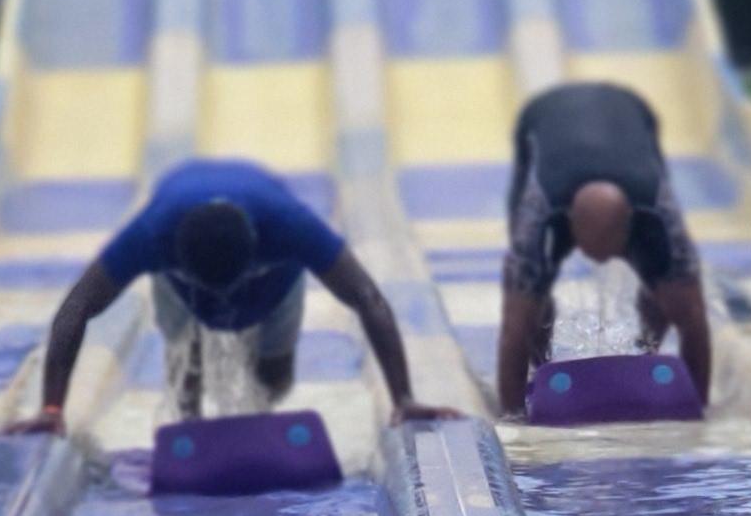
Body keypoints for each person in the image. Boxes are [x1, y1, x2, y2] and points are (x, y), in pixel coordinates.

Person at [23, 157, 446, 432]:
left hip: (272, 283)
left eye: (229, 289)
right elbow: (78, 305)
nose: (223, 306)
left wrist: (403, 398)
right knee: (186, 360)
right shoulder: (151, 235)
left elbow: (366, 296)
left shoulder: (289, 226)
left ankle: (254, 420)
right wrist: (51, 410)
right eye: (212, 291)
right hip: (183, 283)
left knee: (274, 376)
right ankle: (188, 423)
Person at [498, 80, 711, 415]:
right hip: (541, 121)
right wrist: (513, 418)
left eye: (610, 247)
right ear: (570, 225)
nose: (599, 258)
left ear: (629, 223)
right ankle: (541, 362)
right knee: (526, 296)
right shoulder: (540, 213)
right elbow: (512, 328)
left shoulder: (656, 207)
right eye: (590, 246)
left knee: (673, 288)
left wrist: (699, 409)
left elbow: (694, 319)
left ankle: (648, 348)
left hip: (633, 116)